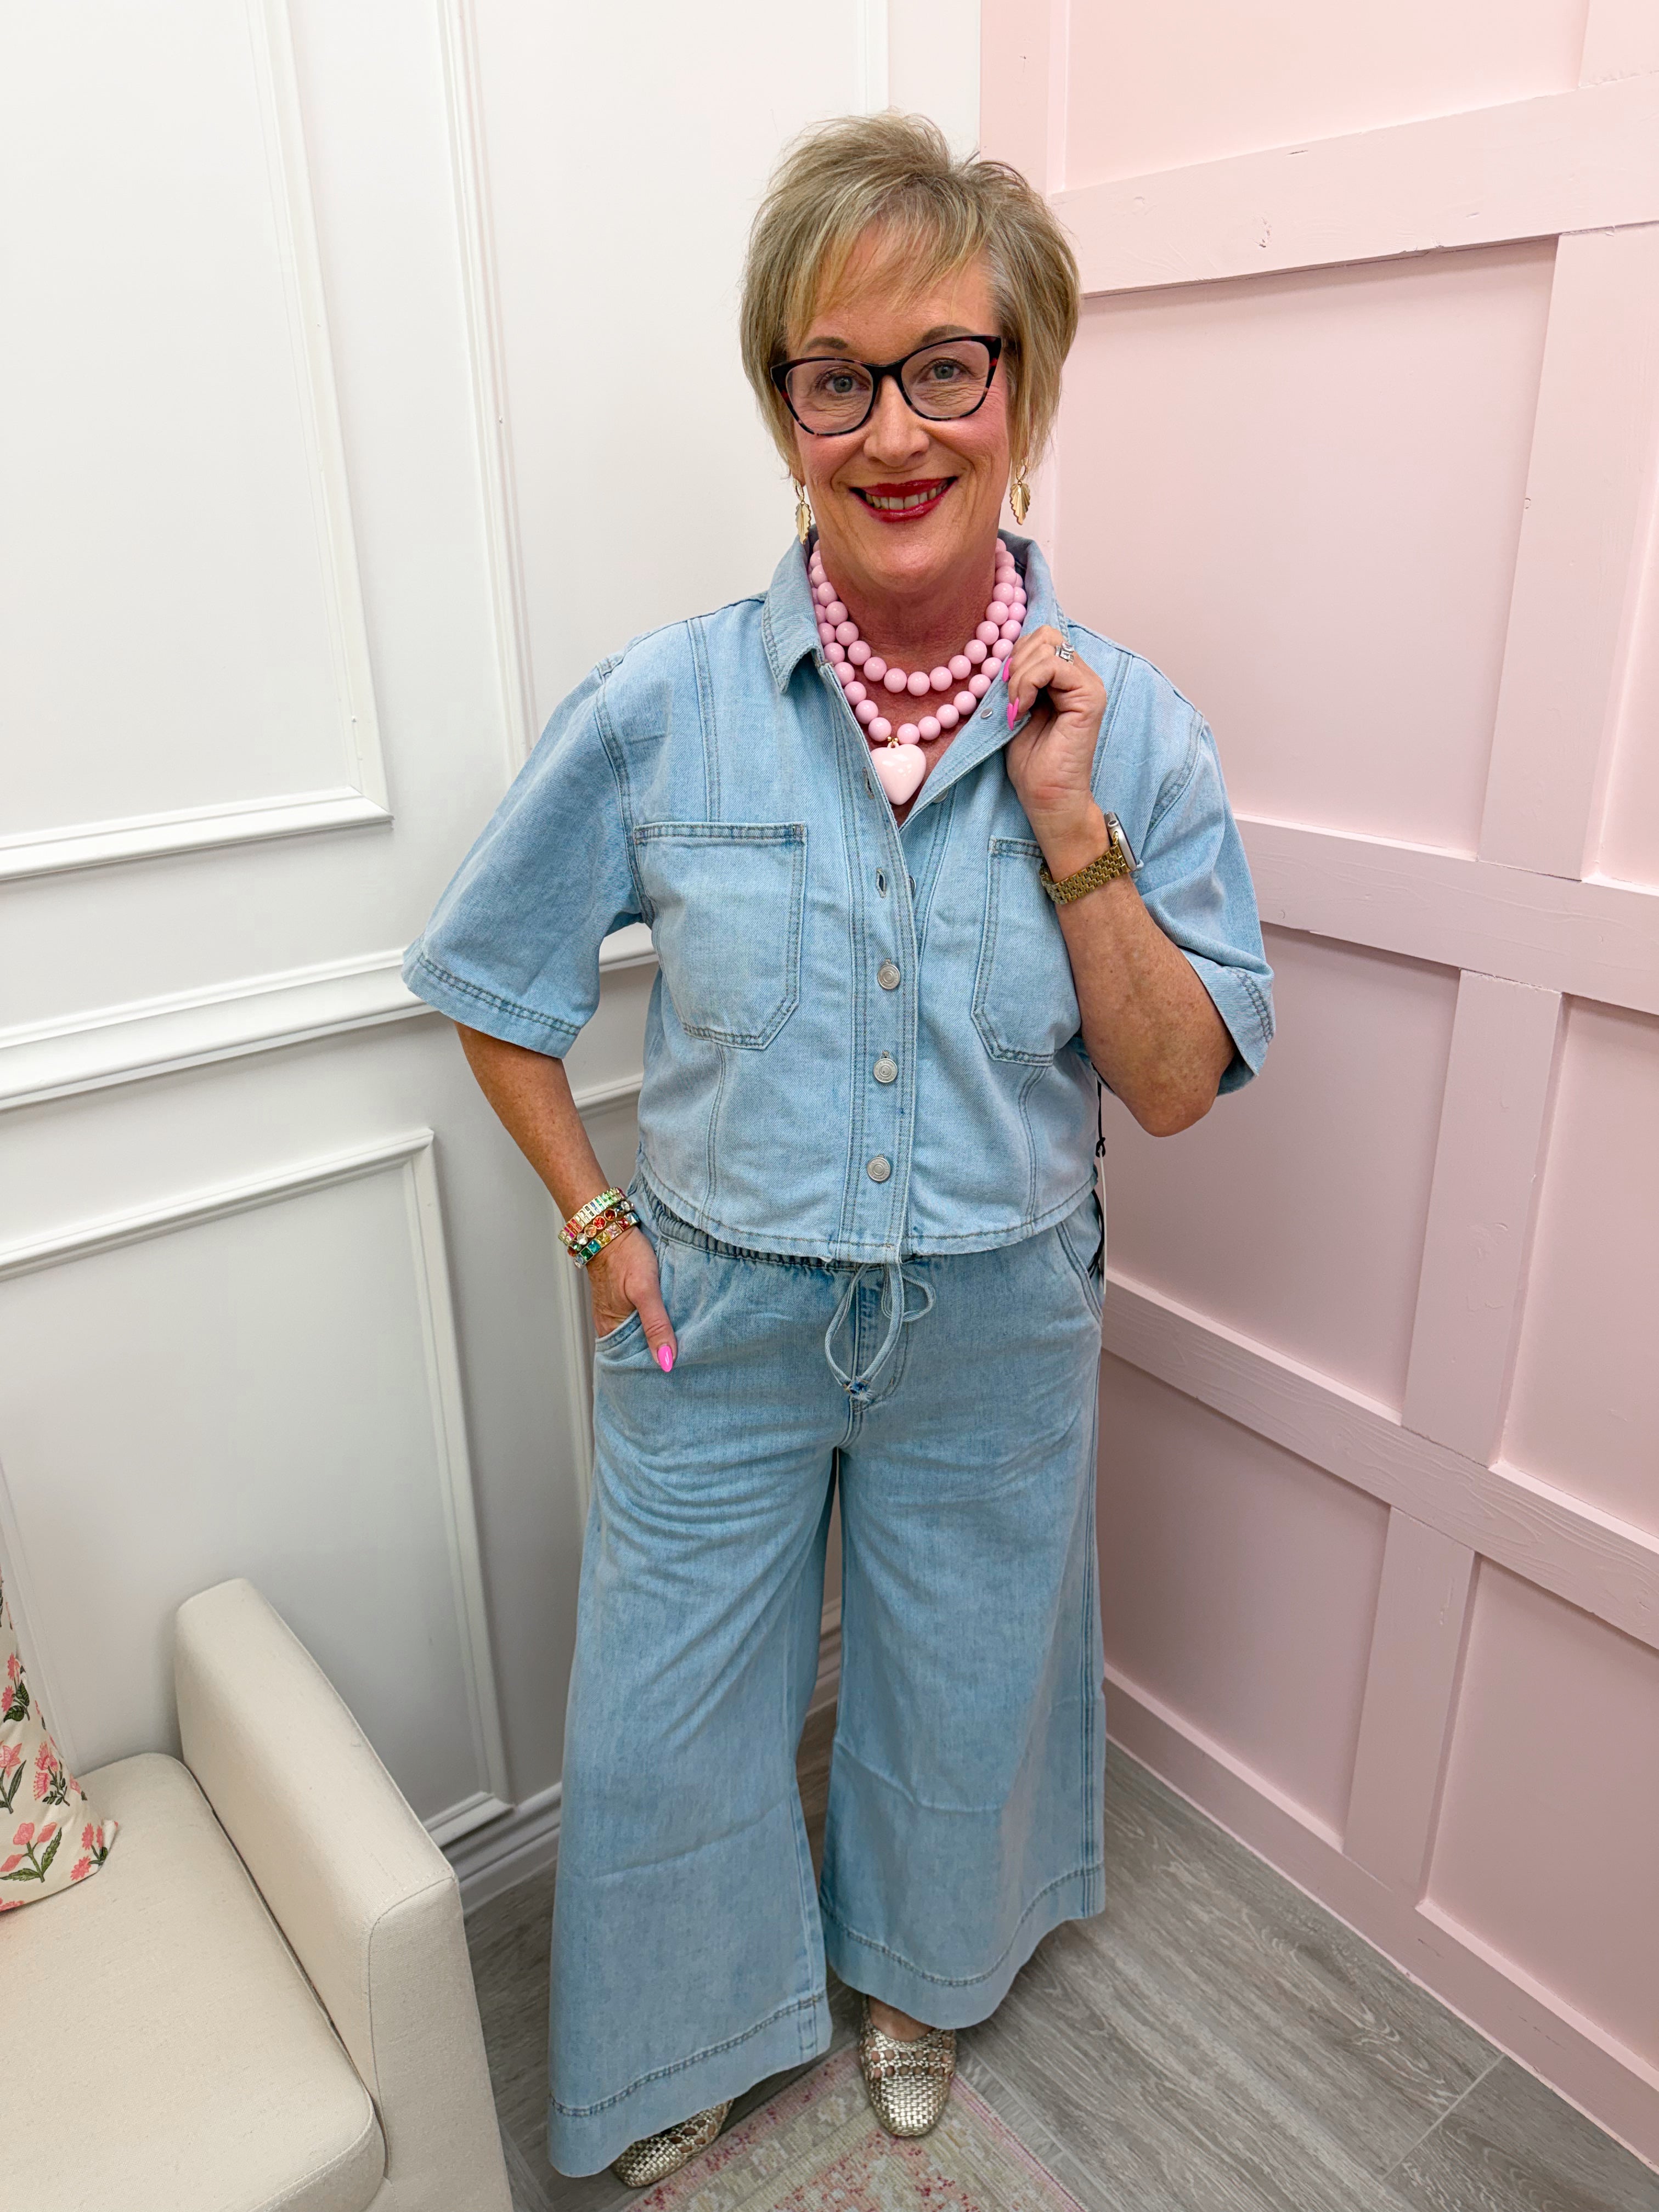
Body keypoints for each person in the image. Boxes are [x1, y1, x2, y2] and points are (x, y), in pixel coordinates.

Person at [402, 111, 1273, 2187]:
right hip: (711, 1312)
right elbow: (493, 982)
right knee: (663, 1716)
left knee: (962, 1680)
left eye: (944, 368)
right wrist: (599, 1224)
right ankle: (693, 2023)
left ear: (1021, 392)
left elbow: (1172, 1084)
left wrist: (1069, 826)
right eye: (835, 378)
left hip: (997, 1316)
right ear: (784, 410)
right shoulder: (663, 708)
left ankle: (915, 1973)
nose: (894, 430)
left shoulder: (1131, 727)